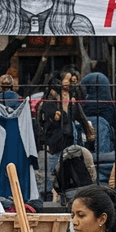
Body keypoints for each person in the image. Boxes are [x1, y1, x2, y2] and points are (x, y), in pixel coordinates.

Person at [36, 73, 93, 201]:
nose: (68, 82)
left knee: (67, 170)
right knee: (50, 173)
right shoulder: (51, 100)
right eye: (65, 79)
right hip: (53, 143)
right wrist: (54, 119)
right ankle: (48, 197)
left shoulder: (73, 98)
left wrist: (88, 131)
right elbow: (42, 122)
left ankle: (65, 195)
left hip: (69, 141)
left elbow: (81, 116)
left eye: (70, 79)